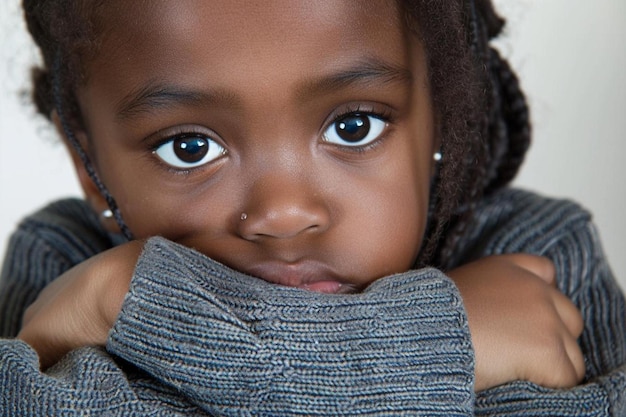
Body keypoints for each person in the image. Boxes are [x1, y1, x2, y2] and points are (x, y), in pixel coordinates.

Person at [1, 0, 624, 415]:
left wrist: (131, 302)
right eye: (190, 147)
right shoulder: (61, 254)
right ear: (89, 163)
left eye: (353, 126)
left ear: (443, 117)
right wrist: (438, 344)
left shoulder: (537, 250)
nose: (284, 213)